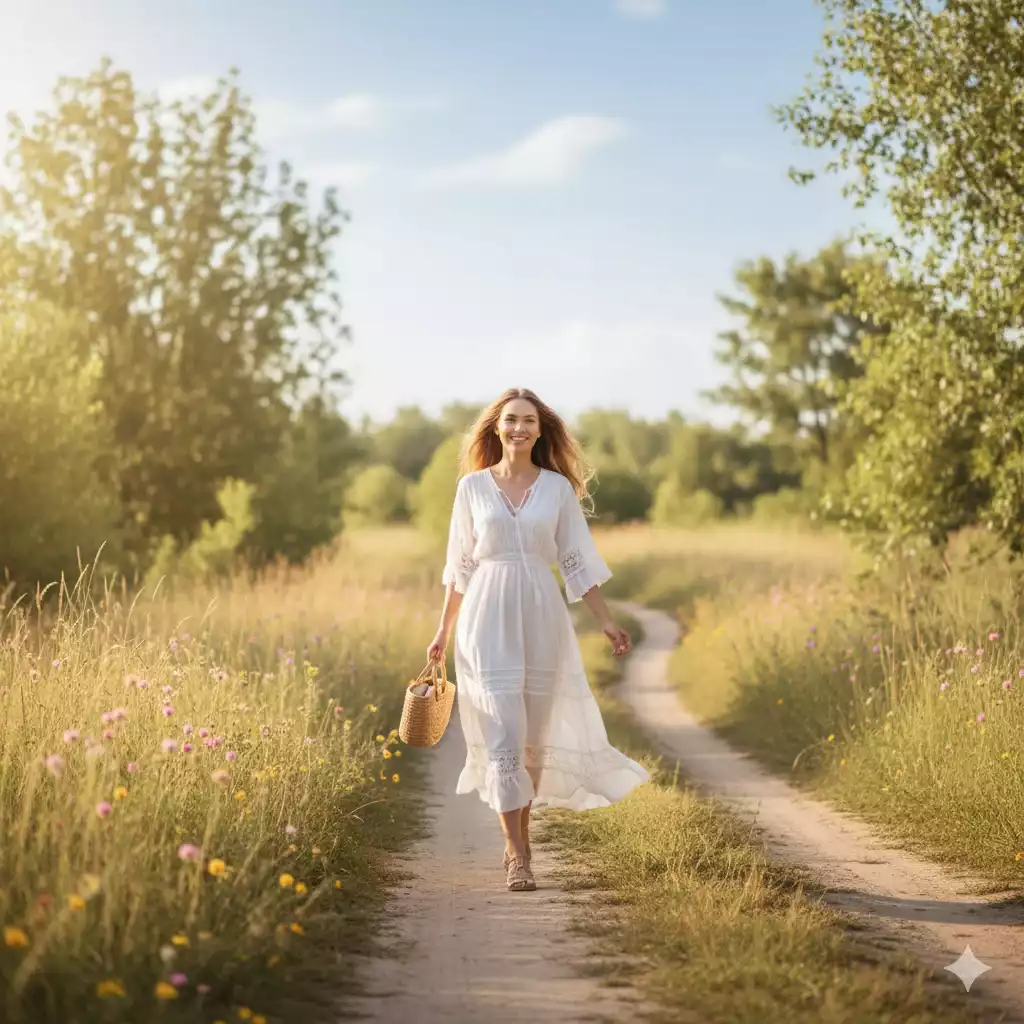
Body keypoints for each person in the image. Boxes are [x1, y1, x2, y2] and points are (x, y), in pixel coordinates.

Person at [426, 387, 650, 893]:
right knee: (503, 732)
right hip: (485, 616)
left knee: (531, 742)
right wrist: (442, 630)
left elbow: (575, 560)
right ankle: (516, 853)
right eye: (511, 420)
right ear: (496, 428)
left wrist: (607, 621)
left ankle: (521, 841)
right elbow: (458, 565)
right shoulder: (472, 488)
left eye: (528, 420)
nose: (519, 428)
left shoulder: (556, 490)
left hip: (543, 615)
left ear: (540, 429)